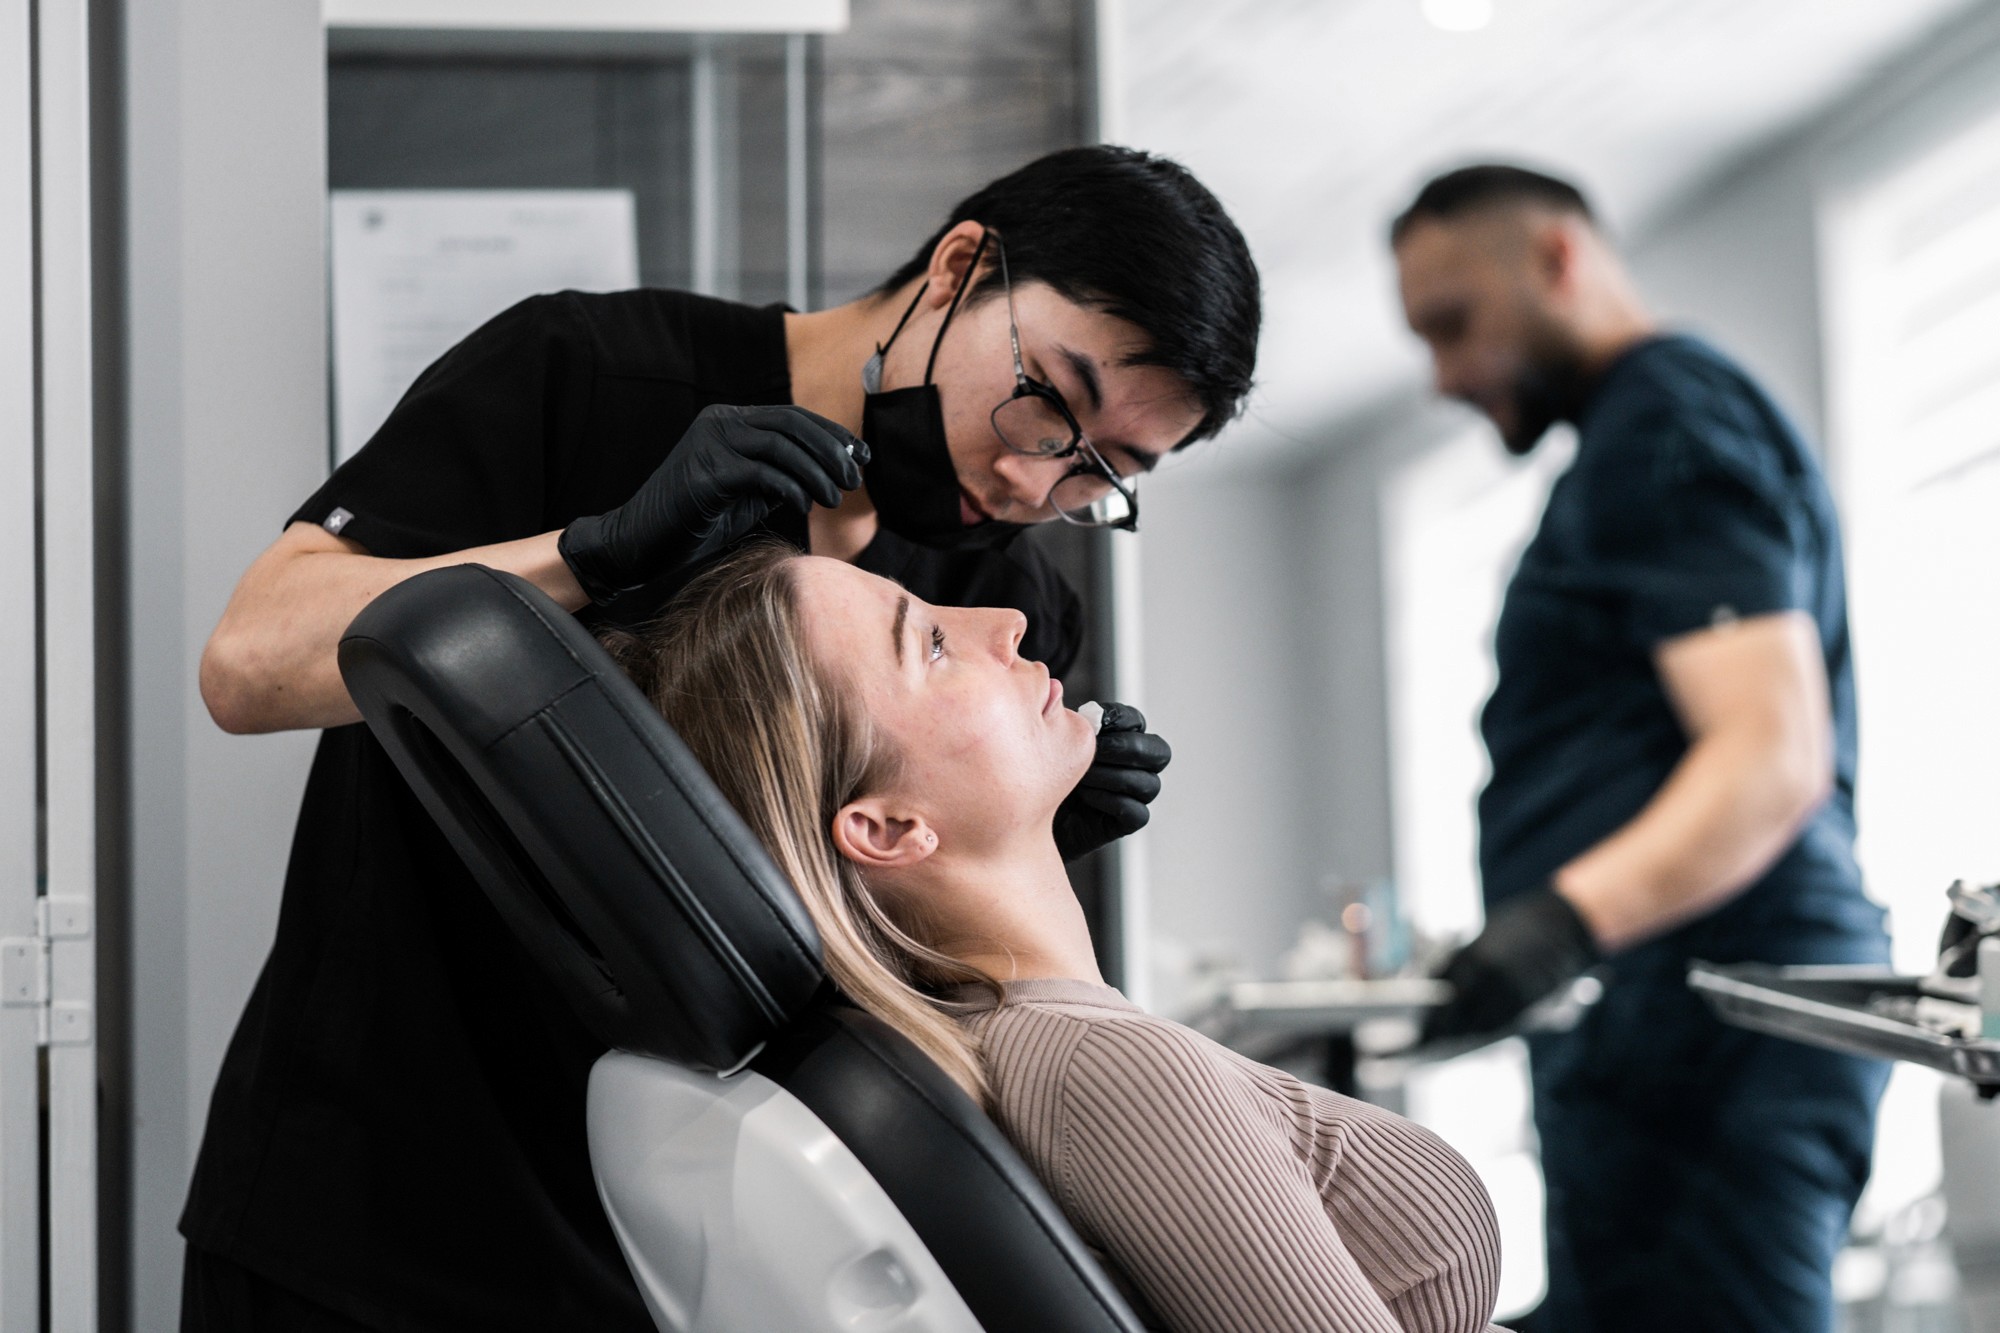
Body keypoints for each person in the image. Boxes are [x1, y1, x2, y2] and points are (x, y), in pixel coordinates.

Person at [184, 146, 1260, 1330]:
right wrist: (592, 552)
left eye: (1099, 473)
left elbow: (888, 962)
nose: (1028, 478)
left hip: (687, 1261)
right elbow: (246, 665)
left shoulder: (1007, 603)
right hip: (366, 1208)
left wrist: (1031, 843)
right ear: (959, 268)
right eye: (1050, 401)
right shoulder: (587, 373)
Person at [605, 540, 1504, 1333]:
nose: (1007, 620)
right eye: (932, 644)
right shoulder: (1104, 1073)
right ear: (888, 827)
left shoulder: (1033, 1043)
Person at [1390, 164, 1890, 1331]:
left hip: (1720, 1028)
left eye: (1454, 325)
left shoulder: (1665, 425)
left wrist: (1558, 923)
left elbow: (1768, 753)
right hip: (1659, 1025)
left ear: (1558, 259)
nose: (1445, 375)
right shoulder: (1635, 435)